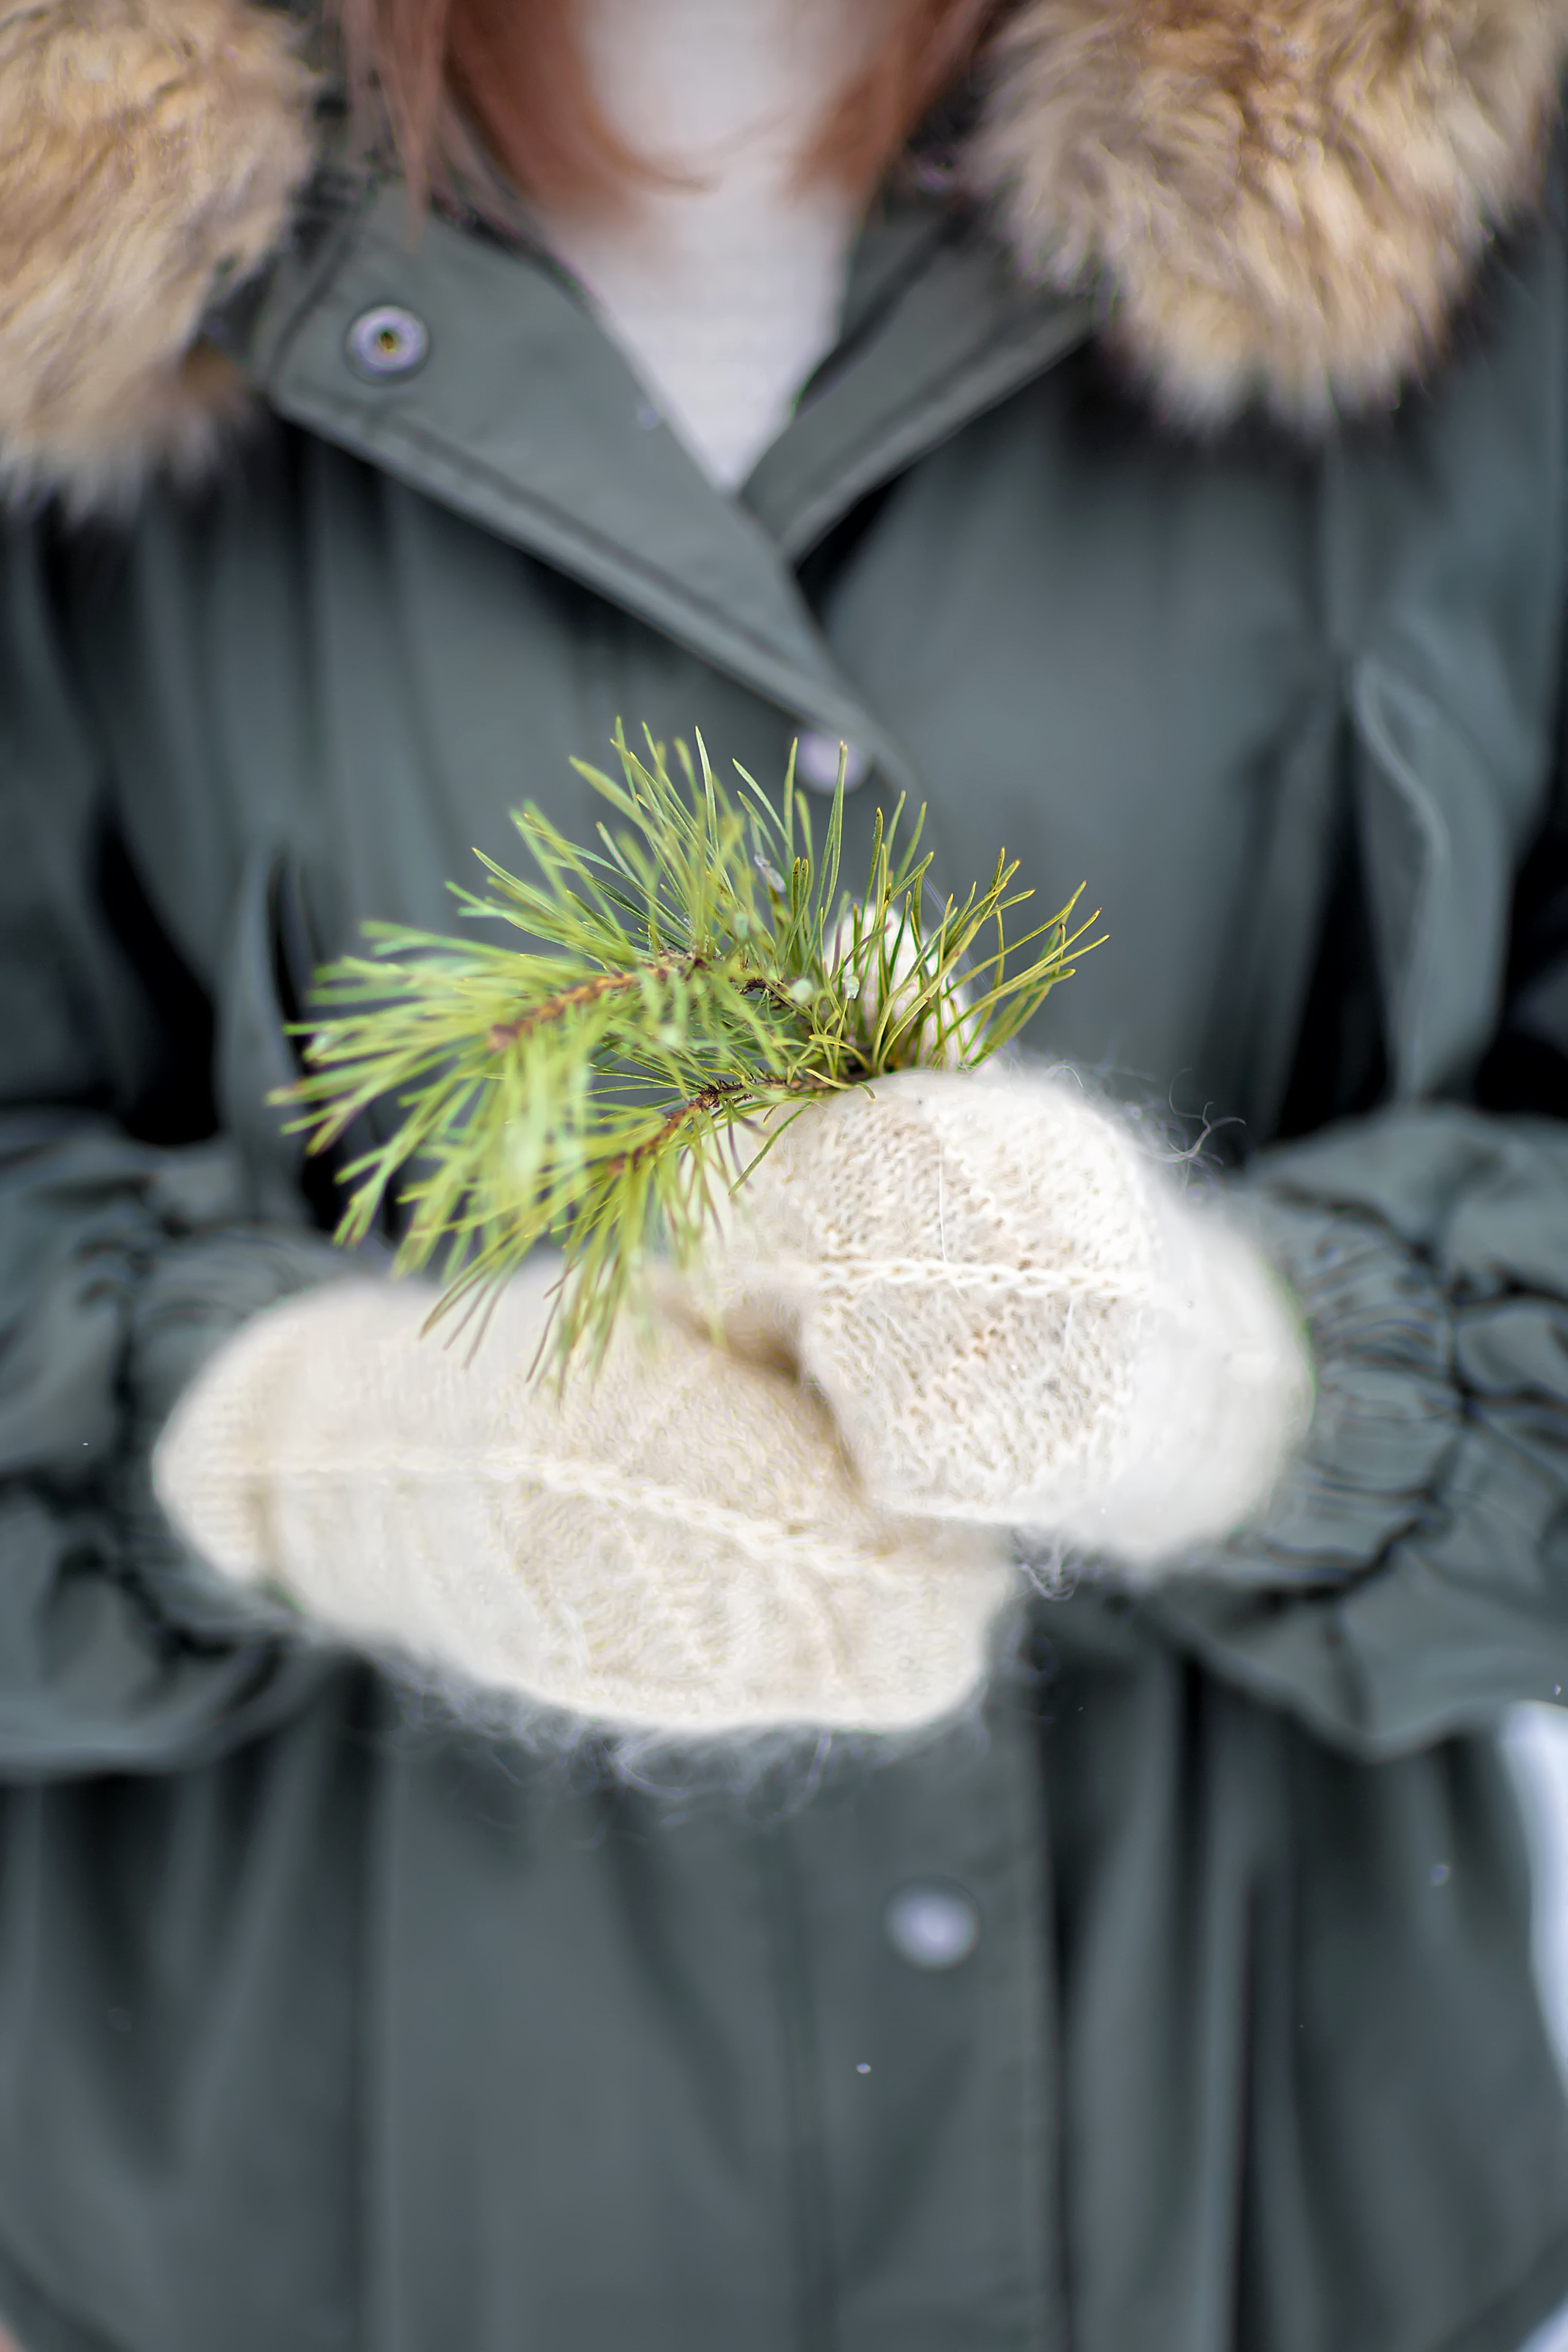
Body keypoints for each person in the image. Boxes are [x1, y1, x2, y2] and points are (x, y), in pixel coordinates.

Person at [2, 0, 1568, 2346]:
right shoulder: (54, 213)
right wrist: (283, 1449)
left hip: (1266, 2225)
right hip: (287, 2240)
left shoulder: (1497, 190)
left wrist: (1259, 1387)